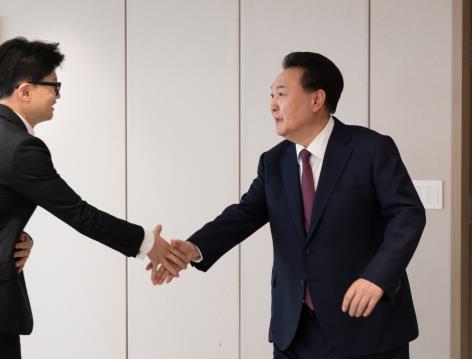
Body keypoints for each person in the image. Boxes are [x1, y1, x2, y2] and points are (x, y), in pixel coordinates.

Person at [161, 52, 425, 358]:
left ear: (316, 100)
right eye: (271, 96)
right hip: (295, 331)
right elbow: (244, 214)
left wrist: (376, 277)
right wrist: (194, 247)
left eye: (282, 94)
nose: (272, 105)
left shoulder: (371, 149)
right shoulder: (274, 162)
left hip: (365, 325)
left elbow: (408, 215)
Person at [0, 37, 185, 359]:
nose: (57, 95)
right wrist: (149, 244)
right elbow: (79, 214)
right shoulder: (20, 147)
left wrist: (19, 237)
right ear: (24, 91)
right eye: (52, 86)